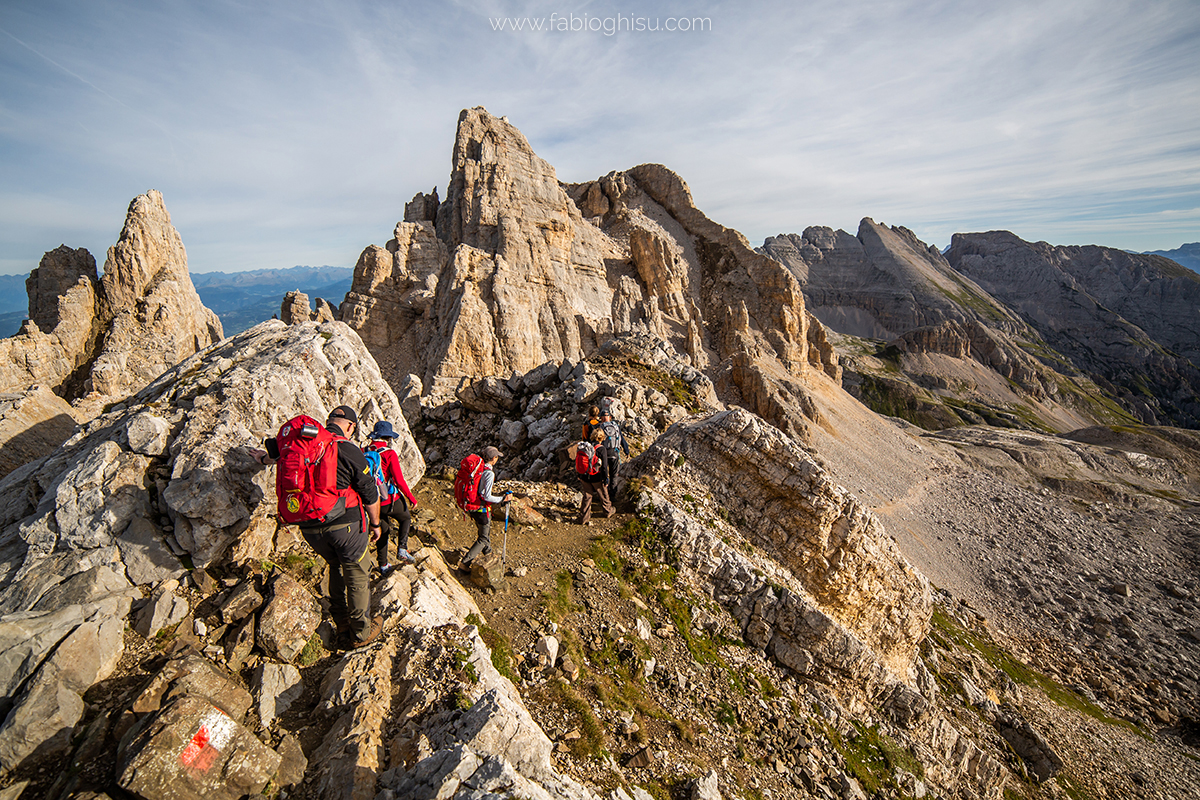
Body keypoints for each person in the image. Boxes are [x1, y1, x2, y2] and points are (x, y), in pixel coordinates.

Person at [252, 405, 382, 649]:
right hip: (345, 524)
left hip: (309, 527)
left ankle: (341, 624)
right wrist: (375, 523)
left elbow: (275, 457)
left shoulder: (309, 442)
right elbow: (368, 490)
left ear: (328, 421)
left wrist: (260, 458)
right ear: (351, 427)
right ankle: (361, 632)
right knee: (356, 573)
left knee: (335, 567)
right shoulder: (346, 448)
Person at [364, 420, 419, 575]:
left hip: (372, 502)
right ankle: (402, 548)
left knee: (383, 529)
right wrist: (411, 498)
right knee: (405, 518)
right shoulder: (389, 453)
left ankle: (383, 565)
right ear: (388, 437)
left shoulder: (364, 451)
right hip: (388, 499)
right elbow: (399, 480)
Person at [459, 445, 512, 572]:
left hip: (473, 507)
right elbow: (486, 496)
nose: (497, 459)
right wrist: (502, 499)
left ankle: (490, 558)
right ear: (493, 458)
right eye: (496, 457)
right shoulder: (489, 473)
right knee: (483, 538)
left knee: (485, 535)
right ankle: (464, 563)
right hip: (481, 509)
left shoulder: (478, 469)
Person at [575, 427, 614, 525]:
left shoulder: (586, 447)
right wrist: (606, 478)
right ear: (602, 438)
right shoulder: (601, 449)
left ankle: (584, 518)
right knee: (603, 494)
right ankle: (608, 511)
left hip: (584, 476)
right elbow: (604, 466)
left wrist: (579, 474)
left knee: (587, 496)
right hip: (596, 476)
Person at [598, 411, 630, 496]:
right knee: (614, 475)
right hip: (615, 452)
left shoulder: (600, 427)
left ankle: (603, 494)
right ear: (610, 417)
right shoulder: (616, 426)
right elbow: (622, 439)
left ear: (601, 418)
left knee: (603, 473)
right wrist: (626, 451)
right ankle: (612, 495)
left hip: (604, 453)